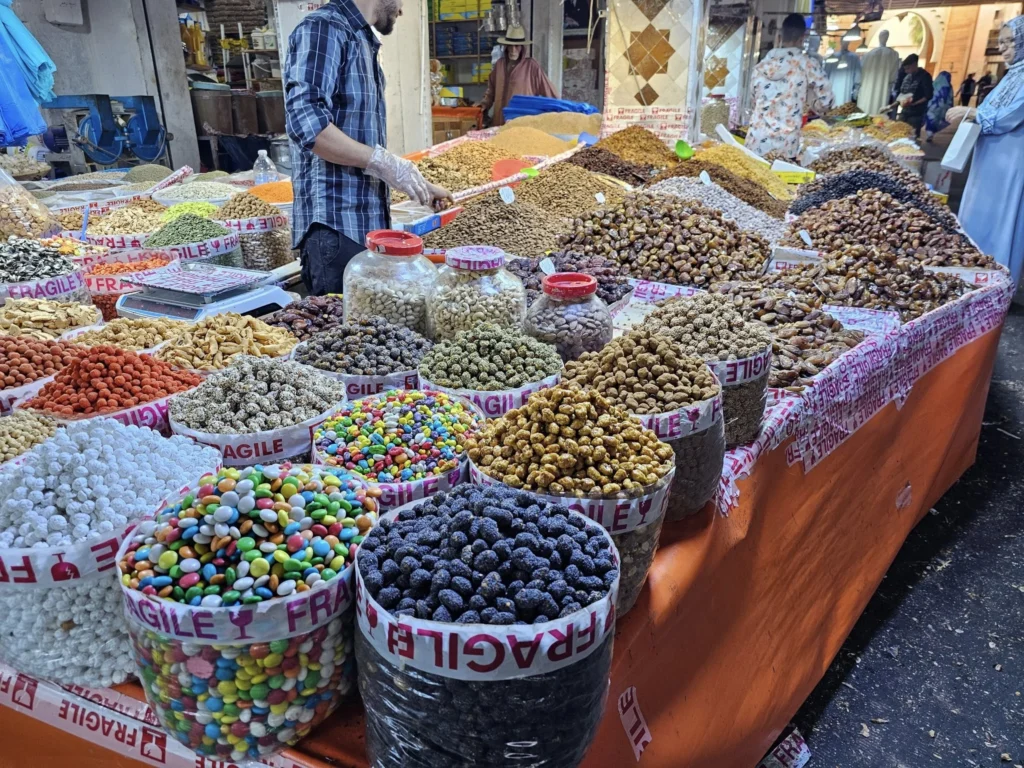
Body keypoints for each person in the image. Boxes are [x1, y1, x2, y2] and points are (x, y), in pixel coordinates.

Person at [284, 0, 452, 296]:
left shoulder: (360, 38)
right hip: (337, 229)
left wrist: (415, 182)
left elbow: (359, 144)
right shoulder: (324, 28)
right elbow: (308, 125)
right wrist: (385, 163)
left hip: (366, 229)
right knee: (340, 325)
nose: (401, 10)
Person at [948, 15, 1024, 283]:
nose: (1003, 48)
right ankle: (974, 270)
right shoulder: (1012, 75)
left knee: (1002, 215)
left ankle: (996, 280)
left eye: (1010, 42)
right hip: (989, 158)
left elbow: (1010, 116)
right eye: (1001, 42)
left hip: (1010, 160)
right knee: (979, 211)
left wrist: (971, 113)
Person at [745, 13, 834, 160]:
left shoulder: (760, 66)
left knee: (753, 175)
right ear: (803, 37)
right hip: (786, 144)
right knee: (780, 175)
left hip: (756, 140)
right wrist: (811, 101)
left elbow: (754, 101)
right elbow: (826, 102)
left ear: (780, 36)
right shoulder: (807, 64)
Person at [477, 25, 558, 127]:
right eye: (510, 46)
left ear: (522, 48)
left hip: (522, 125)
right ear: (506, 47)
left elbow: (550, 94)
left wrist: (556, 115)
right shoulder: (499, 65)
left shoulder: (531, 66)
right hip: (498, 124)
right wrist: (484, 104)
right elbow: (491, 91)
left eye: (517, 46)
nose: (513, 50)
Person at [896, 54, 933, 136]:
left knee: (912, 135)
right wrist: (893, 105)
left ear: (914, 65)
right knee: (898, 132)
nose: (906, 71)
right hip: (904, 111)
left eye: (908, 68)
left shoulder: (925, 76)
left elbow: (928, 95)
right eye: (905, 69)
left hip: (916, 113)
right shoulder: (908, 77)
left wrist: (914, 103)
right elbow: (902, 94)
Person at [924, 70, 953, 141]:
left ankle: (930, 134)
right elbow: (950, 98)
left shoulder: (935, 83)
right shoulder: (949, 86)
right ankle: (931, 134)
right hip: (942, 108)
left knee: (931, 119)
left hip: (932, 106)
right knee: (937, 121)